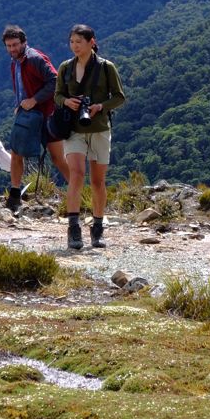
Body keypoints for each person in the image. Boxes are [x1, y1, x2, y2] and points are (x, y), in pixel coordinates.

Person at [54, 24, 126, 250]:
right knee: (76, 174)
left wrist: (100, 106)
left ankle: (97, 227)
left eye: (79, 42)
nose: (74, 46)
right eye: (72, 42)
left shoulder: (106, 67)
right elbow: (57, 95)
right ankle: (73, 229)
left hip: (99, 128)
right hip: (73, 129)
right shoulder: (65, 68)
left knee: (97, 181)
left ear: (91, 42)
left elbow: (120, 97)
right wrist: (67, 101)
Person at [2, 25, 70, 214]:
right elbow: (22, 86)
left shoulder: (34, 59)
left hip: (47, 115)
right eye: (9, 46)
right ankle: (14, 196)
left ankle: (77, 193)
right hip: (27, 116)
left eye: (15, 44)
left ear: (24, 42)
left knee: (57, 158)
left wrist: (34, 100)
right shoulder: (15, 62)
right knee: (16, 153)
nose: (12, 49)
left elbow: (55, 81)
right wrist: (20, 104)